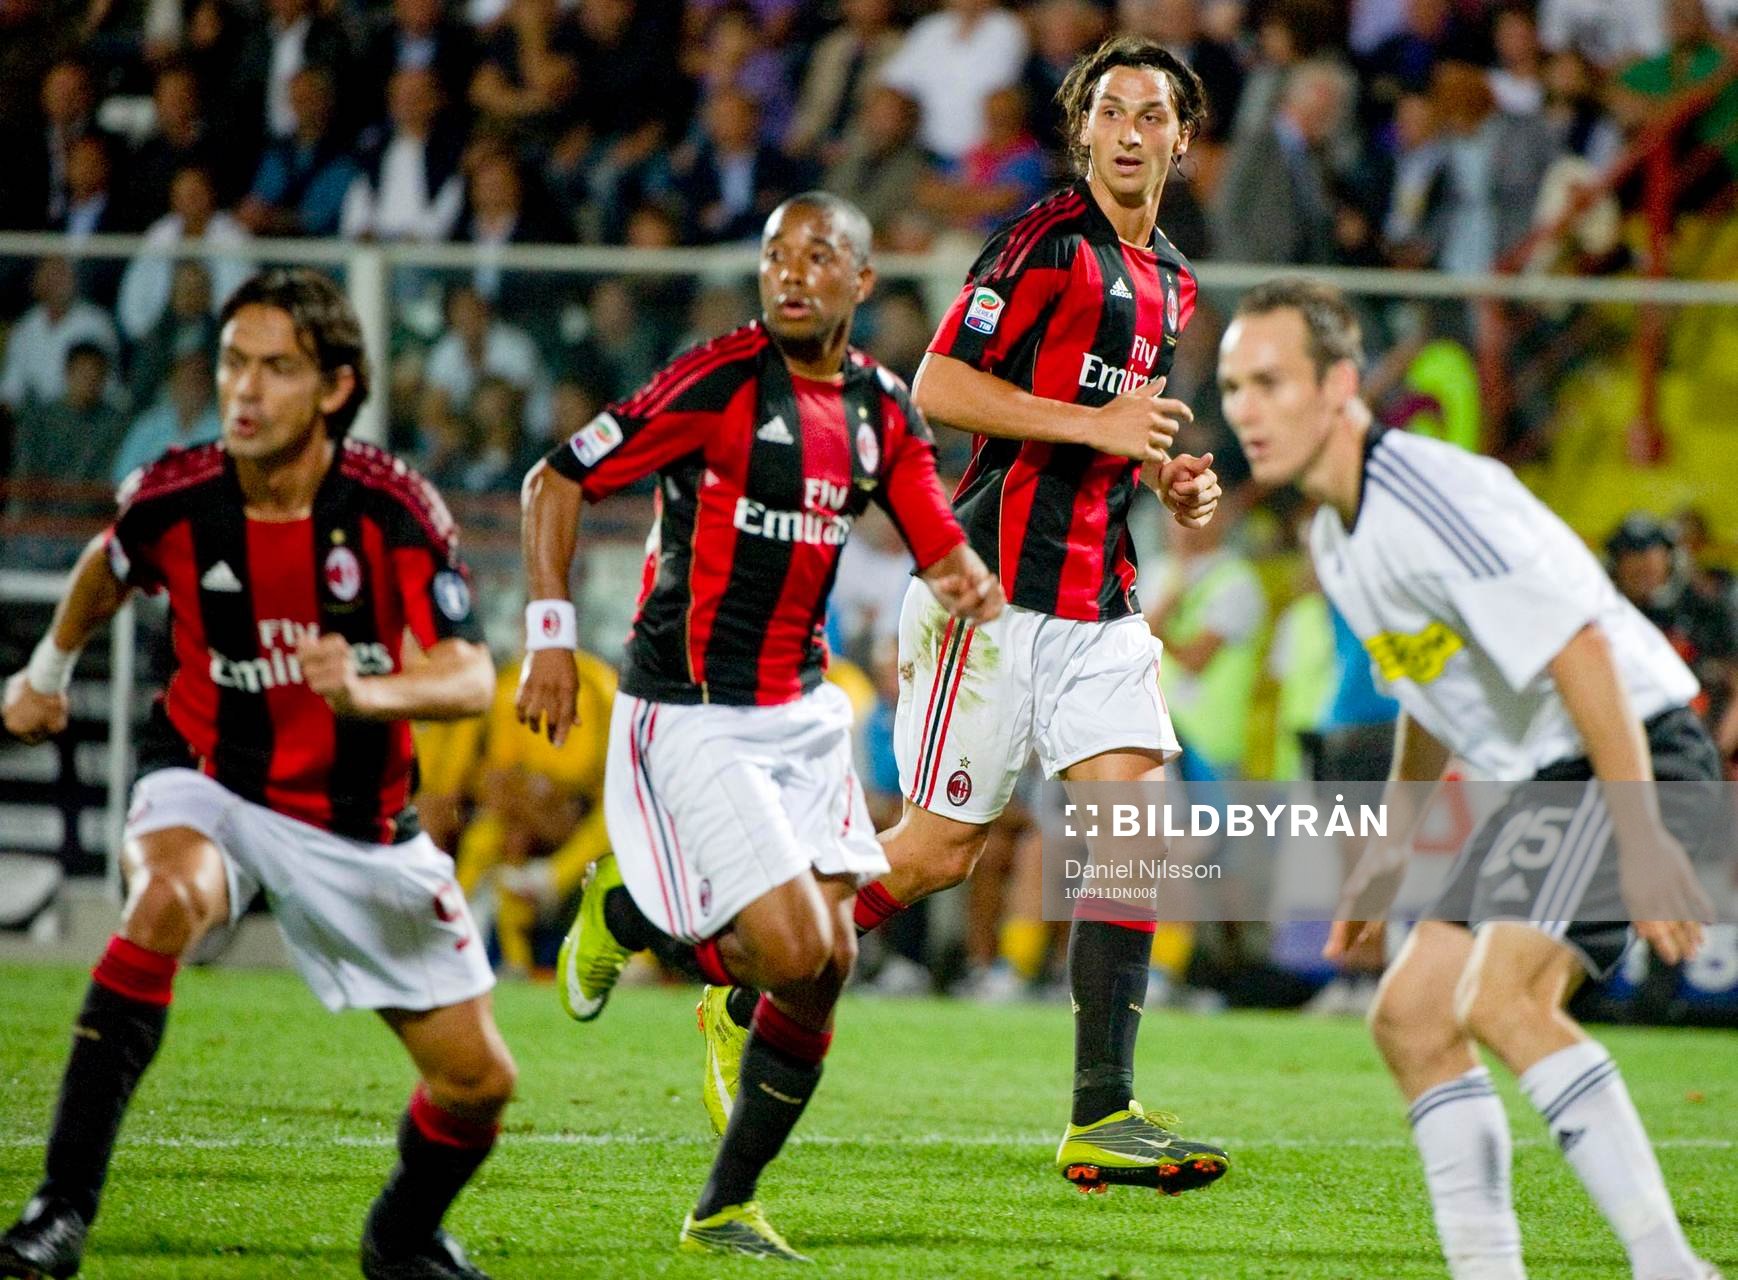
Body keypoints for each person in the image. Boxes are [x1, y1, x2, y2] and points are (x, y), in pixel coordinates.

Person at [707, 34, 1229, 1198]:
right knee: (939, 851)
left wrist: (1168, 475)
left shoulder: (1174, 281)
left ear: (1183, 139)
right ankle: (751, 970)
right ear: (1082, 132)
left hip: (1100, 597)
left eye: (1152, 113)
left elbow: (1119, 430)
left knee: (1131, 825)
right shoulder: (1044, 240)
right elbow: (939, 385)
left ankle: (1103, 1112)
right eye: (1111, 111)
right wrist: (1094, 427)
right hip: (987, 592)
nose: (1131, 131)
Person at [516, 192, 1003, 1261]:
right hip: (689, 707)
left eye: (818, 256)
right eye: (777, 255)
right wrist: (551, 636)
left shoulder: (882, 409)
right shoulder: (717, 380)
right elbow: (555, 479)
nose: (791, 273)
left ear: (861, 281)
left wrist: (967, 578)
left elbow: (932, 532)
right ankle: (629, 909)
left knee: (827, 962)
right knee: (787, 945)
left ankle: (723, 1204)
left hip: (801, 710)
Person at [0, 269, 513, 1280]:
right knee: (164, 901)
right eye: (235, 361)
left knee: (476, 1083)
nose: (245, 388)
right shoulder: (177, 492)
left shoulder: (392, 506)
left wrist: (369, 691)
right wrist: (45, 673)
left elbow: (469, 676)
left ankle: (401, 1239)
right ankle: (56, 1213)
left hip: (358, 820)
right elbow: (108, 563)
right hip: (211, 778)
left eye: (277, 368)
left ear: (335, 387)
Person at [1218, 276, 1722, 1280]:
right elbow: (1429, 689)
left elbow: (1580, 646)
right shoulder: (1336, 534)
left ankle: (1671, 1267)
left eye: (1270, 382)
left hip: (1632, 746)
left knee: (1501, 997)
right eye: (1233, 386)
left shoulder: (1426, 499)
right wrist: (1382, 868)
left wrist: (1643, 838)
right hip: (1552, 774)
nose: (1243, 410)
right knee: (1411, 1017)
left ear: (1340, 386)